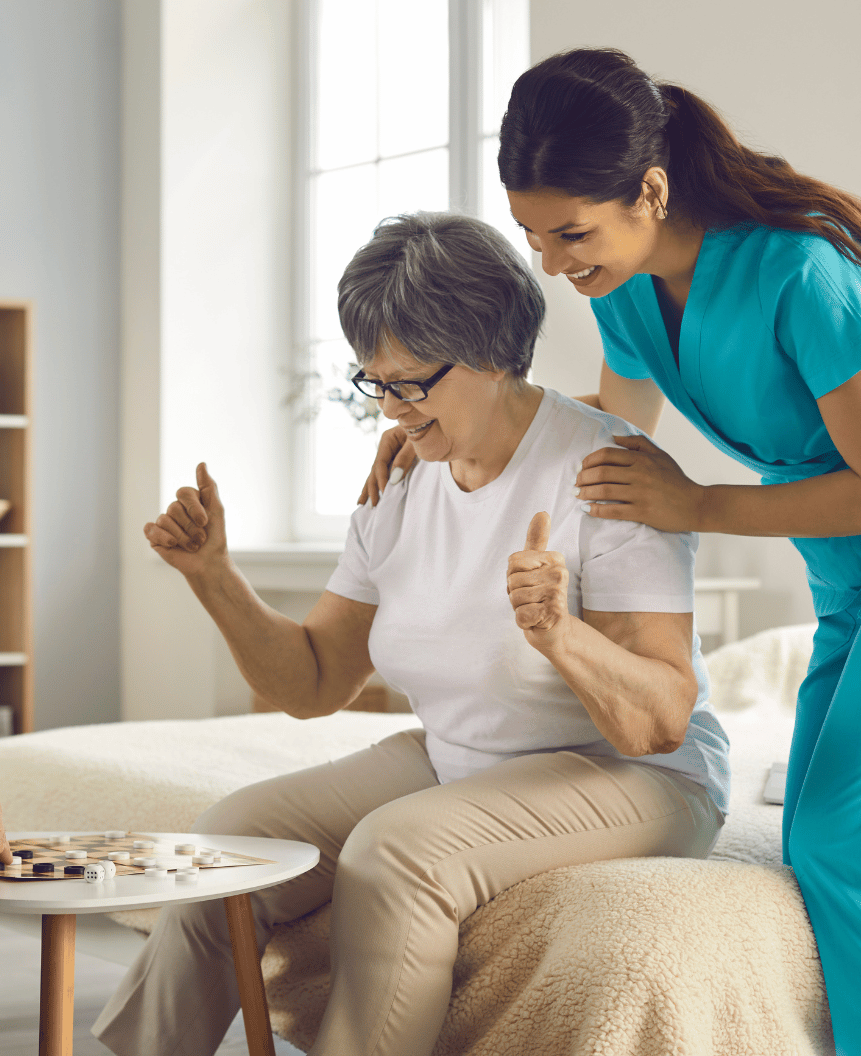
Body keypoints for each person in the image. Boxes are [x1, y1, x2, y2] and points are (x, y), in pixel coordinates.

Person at [93, 211, 728, 1056]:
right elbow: (314, 683)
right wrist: (215, 577)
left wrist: (560, 635)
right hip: (462, 754)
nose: (389, 408)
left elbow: (659, 722)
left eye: (411, 383)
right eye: (374, 383)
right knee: (228, 843)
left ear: (497, 353)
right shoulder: (402, 474)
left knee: (397, 852)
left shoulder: (608, 471)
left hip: (640, 775)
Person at [360, 48, 861, 1056]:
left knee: (829, 845)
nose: (551, 262)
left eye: (569, 233)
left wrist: (698, 507)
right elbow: (593, 425)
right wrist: (437, 415)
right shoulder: (622, 287)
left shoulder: (801, 274)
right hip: (838, 583)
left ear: (651, 189)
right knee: (817, 842)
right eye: (532, 236)